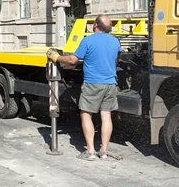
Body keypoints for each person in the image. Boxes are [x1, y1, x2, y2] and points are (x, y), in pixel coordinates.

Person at [46, 14, 122, 161]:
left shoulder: (88, 40)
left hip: (93, 83)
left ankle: (90, 152)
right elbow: (116, 58)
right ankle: (104, 151)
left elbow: (72, 60)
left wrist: (56, 57)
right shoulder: (115, 41)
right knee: (106, 116)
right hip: (111, 83)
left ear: (96, 25)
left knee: (86, 114)